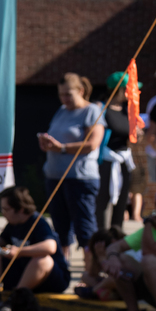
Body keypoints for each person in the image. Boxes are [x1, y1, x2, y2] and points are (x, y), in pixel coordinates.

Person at [38, 73, 103, 270]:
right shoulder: (61, 111)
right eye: (61, 95)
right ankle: (62, 267)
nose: (64, 99)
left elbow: (92, 143)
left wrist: (62, 148)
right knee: (60, 226)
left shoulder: (92, 111)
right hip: (55, 175)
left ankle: (90, 270)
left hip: (80, 177)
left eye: (68, 94)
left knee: (84, 226)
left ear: (81, 91)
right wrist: (47, 144)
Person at [0, 186, 70, 302]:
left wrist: (19, 252)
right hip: (24, 272)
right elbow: (3, 240)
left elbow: (50, 246)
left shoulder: (38, 223)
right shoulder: (13, 223)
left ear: (21, 209)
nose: (3, 213)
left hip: (51, 279)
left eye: (6, 209)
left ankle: (16, 298)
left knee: (42, 260)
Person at [96, 71, 137, 235]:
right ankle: (102, 237)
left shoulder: (128, 110)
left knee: (121, 201)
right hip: (106, 161)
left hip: (124, 161)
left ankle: (117, 238)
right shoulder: (101, 109)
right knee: (104, 201)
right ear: (119, 89)